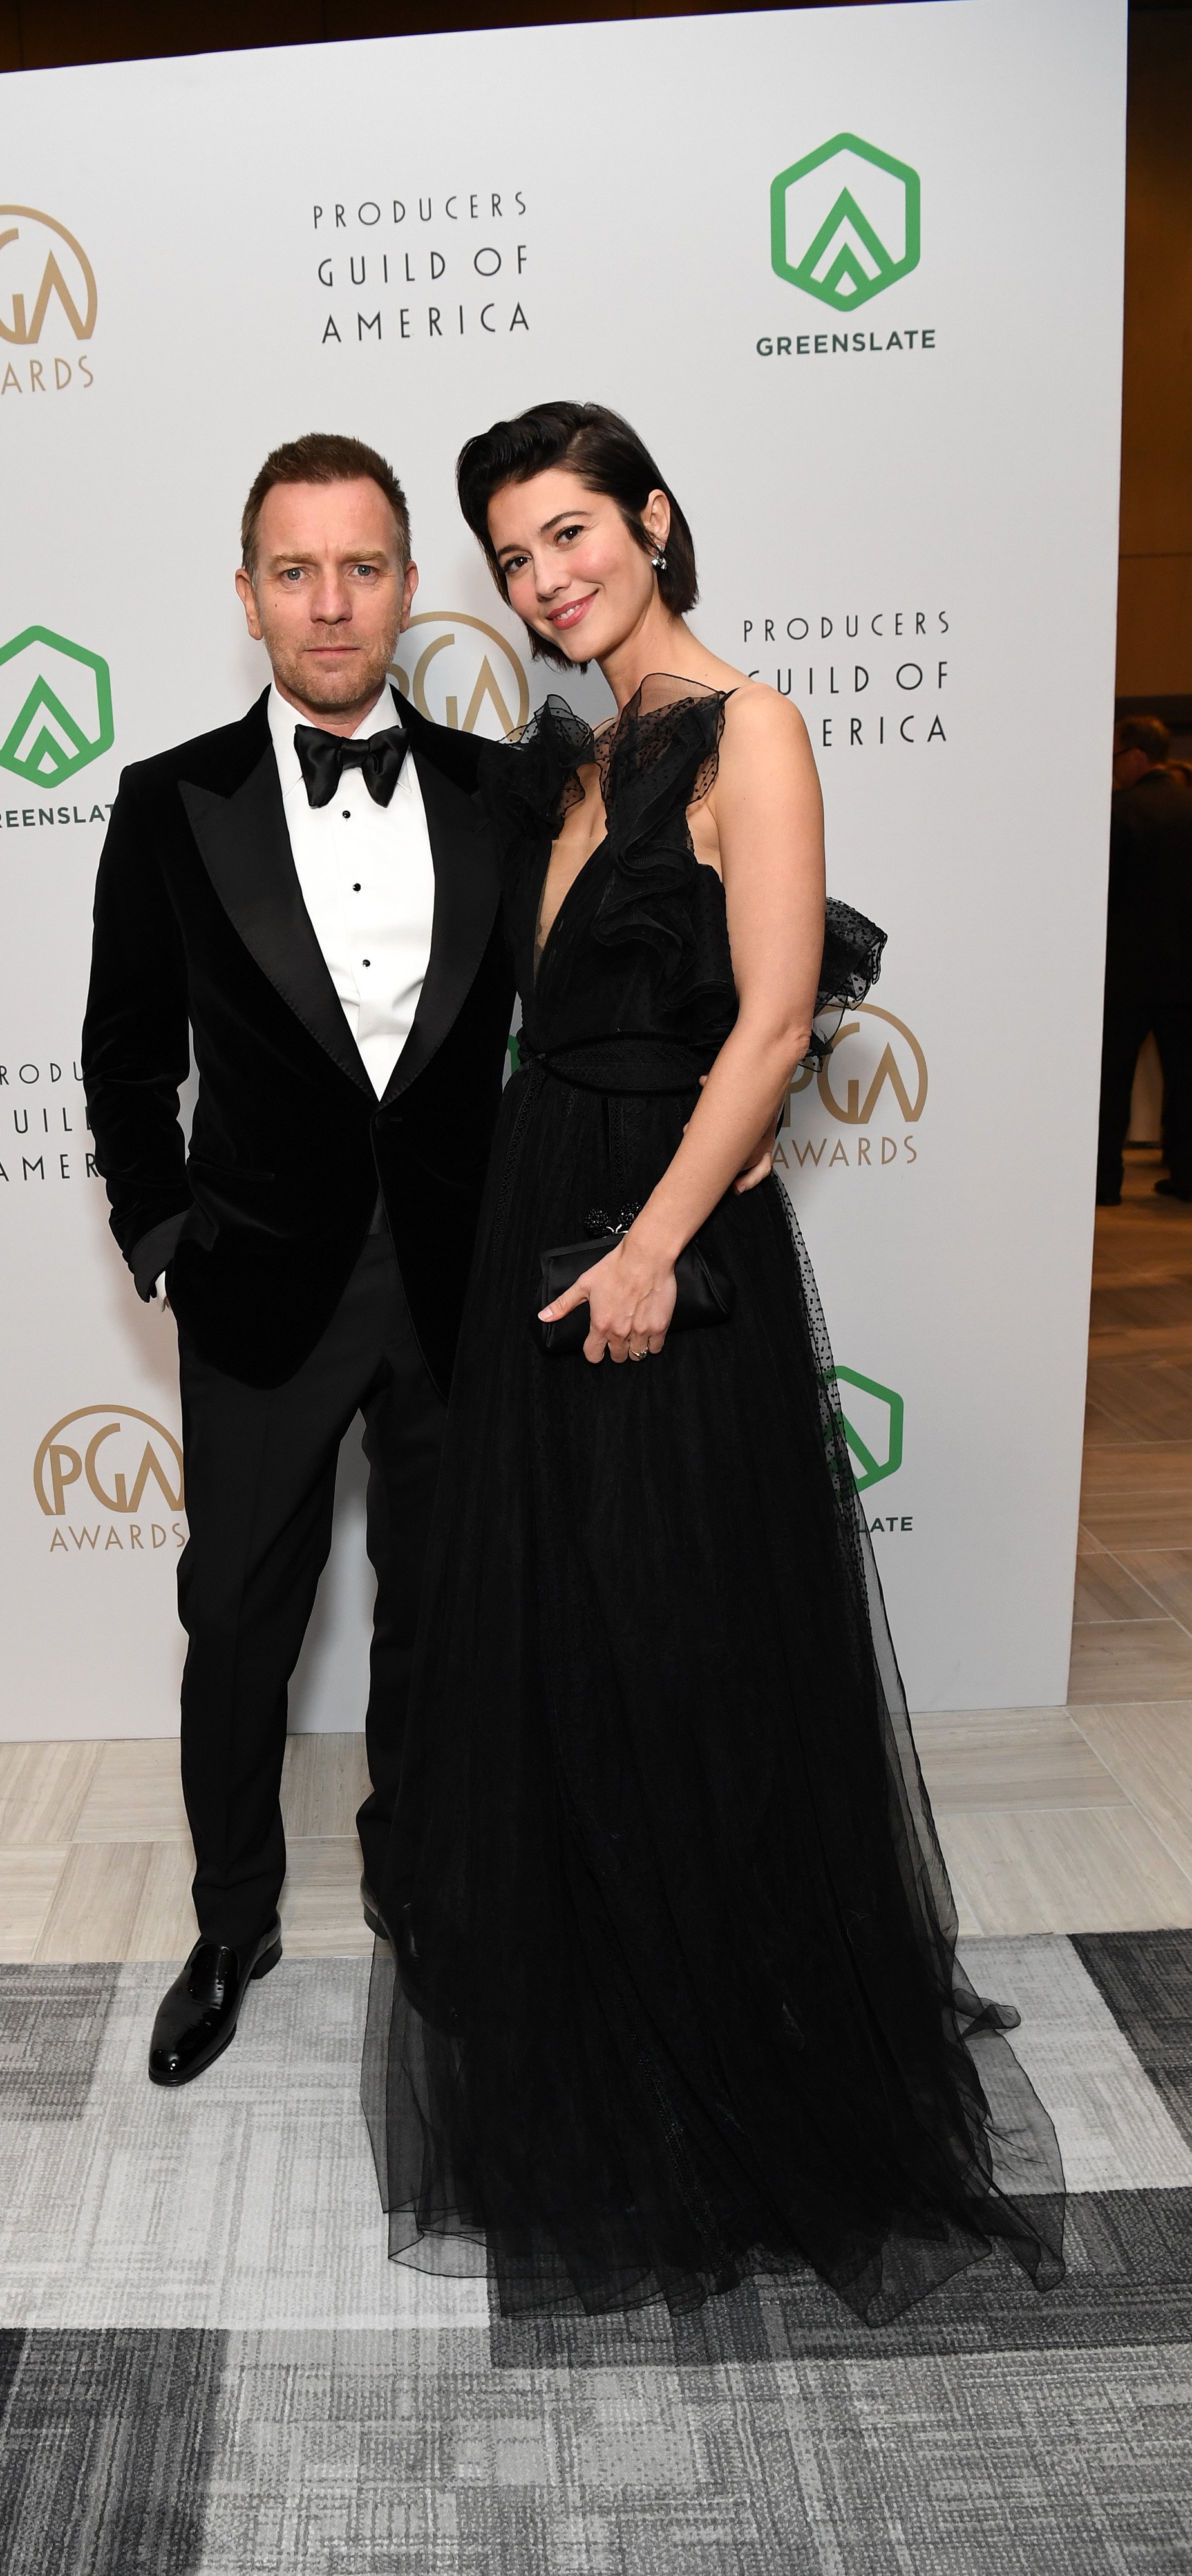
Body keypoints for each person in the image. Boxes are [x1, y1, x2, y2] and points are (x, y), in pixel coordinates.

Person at [366, 401, 1064, 2326]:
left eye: (573, 530)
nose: (545, 576)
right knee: (570, 1636)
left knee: (681, 1636)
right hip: (545, 1211)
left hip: (654, 1245)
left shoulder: (751, 727)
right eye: (511, 555)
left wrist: (662, 1240)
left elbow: (767, 1024)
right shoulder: (568, 757)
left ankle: (722, 2062)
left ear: (656, 519)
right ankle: (599, 2017)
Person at [82, 433, 514, 2086]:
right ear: (248, 590)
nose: (331, 604)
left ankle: (420, 1889)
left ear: (410, 584)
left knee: (440, 1613)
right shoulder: (166, 799)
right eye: (295, 569)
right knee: (241, 1622)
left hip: (467, 1287)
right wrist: (164, 1233)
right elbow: (124, 1050)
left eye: (364, 566)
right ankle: (233, 1918)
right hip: (260, 1283)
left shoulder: (502, 789)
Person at [1096, 715, 1192, 1204]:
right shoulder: (1186, 807)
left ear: (1135, 756)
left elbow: (1102, 897)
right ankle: (1186, 1175)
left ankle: (1103, 1182)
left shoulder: (1122, 812)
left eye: (1113, 757)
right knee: (1186, 1079)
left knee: (1110, 1081)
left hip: (1127, 973)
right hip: (1185, 974)